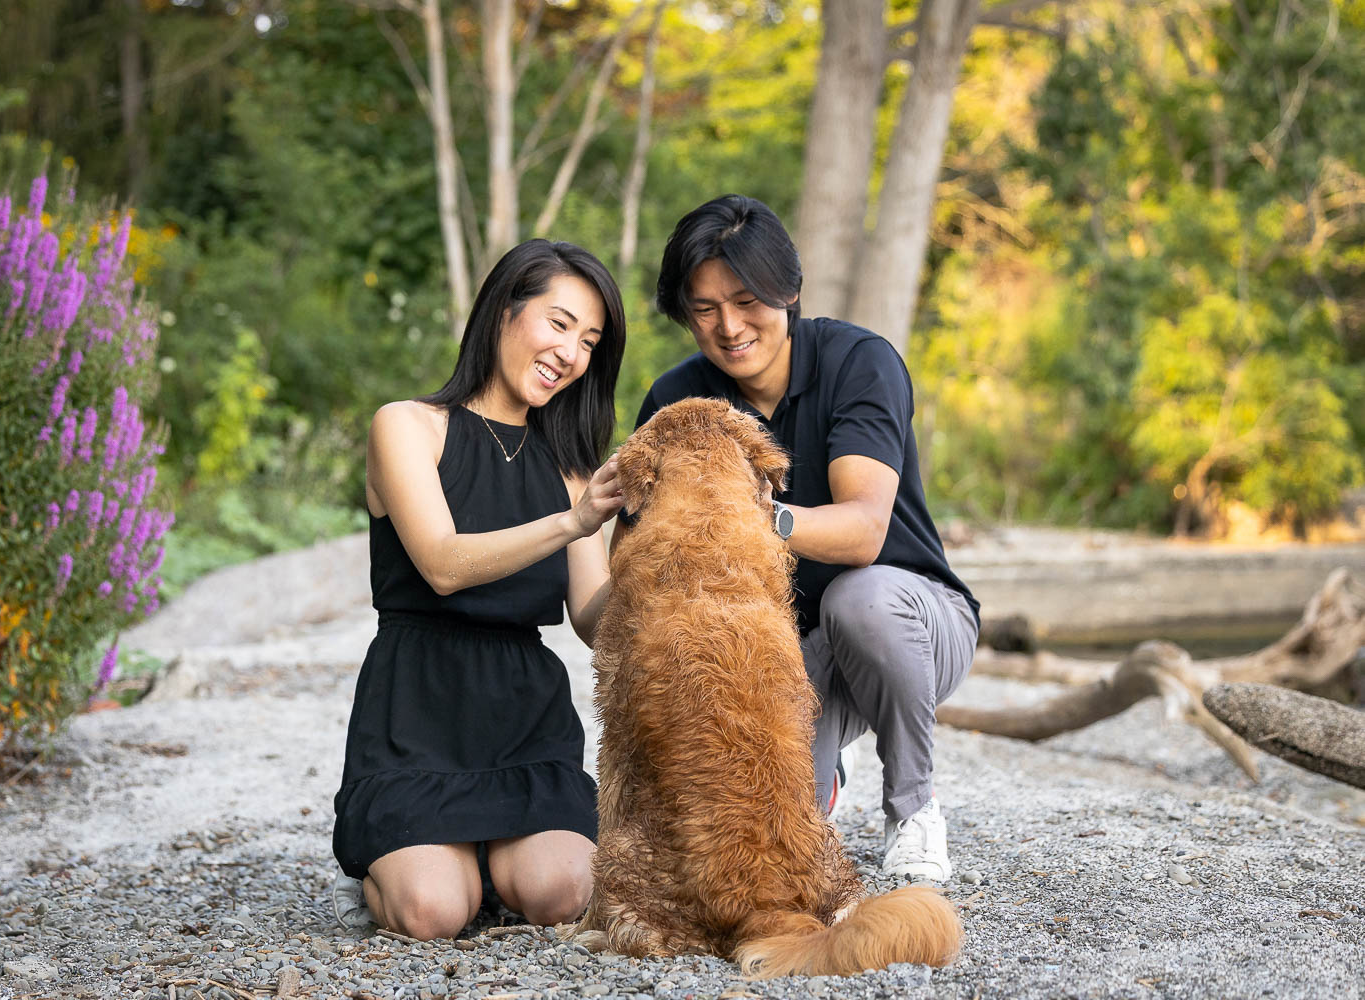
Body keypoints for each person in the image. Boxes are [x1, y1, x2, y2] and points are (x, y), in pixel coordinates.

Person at [615, 195, 979, 882]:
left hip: (914, 622)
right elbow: (637, 564)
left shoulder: (859, 362)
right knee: (764, 842)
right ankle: (825, 769)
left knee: (859, 600)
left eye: (748, 299)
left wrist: (756, 518)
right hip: (782, 652)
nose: (728, 326)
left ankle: (914, 809)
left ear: (791, 290)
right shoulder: (676, 401)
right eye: (704, 308)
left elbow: (866, 531)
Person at [331, 239, 627, 940]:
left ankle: (490, 863)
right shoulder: (407, 427)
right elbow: (442, 563)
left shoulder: (569, 468)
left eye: (589, 341)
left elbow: (594, 620)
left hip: (524, 718)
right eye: (559, 324)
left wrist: (666, 557)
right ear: (503, 311)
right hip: (416, 716)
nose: (572, 354)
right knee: (432, 912)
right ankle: (429, 866)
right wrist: (573, 522)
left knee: (566, 891)